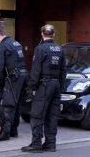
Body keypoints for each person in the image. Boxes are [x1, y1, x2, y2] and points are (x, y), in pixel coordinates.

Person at [21, 24, 66, 153]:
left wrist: (31, 88)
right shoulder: (59, 49)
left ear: (42, 34)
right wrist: (60, 87)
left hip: (44, 85)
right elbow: (63, 70)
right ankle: (51, 144)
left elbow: (36, 70)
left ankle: (36, 144)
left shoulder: (40, 49)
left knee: (37, 115)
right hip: (56, 85)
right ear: (54, 34)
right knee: (52, 115)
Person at [0, 28, 28, 139]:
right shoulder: (16, 43)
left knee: (8, 105)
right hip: (22, 76)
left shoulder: (2, 46)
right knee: (17, 105)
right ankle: (14, 130)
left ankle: (6, 132)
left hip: (12, 78)